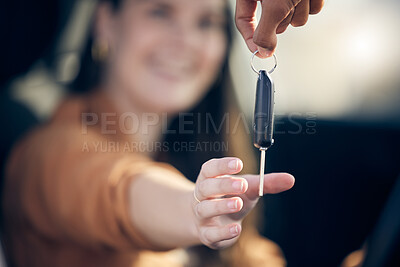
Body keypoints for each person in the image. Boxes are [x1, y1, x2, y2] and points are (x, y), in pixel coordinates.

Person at [1, 0, 323, 266]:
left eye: (206, 23)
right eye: (160, 12)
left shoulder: (194, 151)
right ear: (105, 22)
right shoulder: (50, 152)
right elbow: (118, 191)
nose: (185, 40)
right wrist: (193, 207)